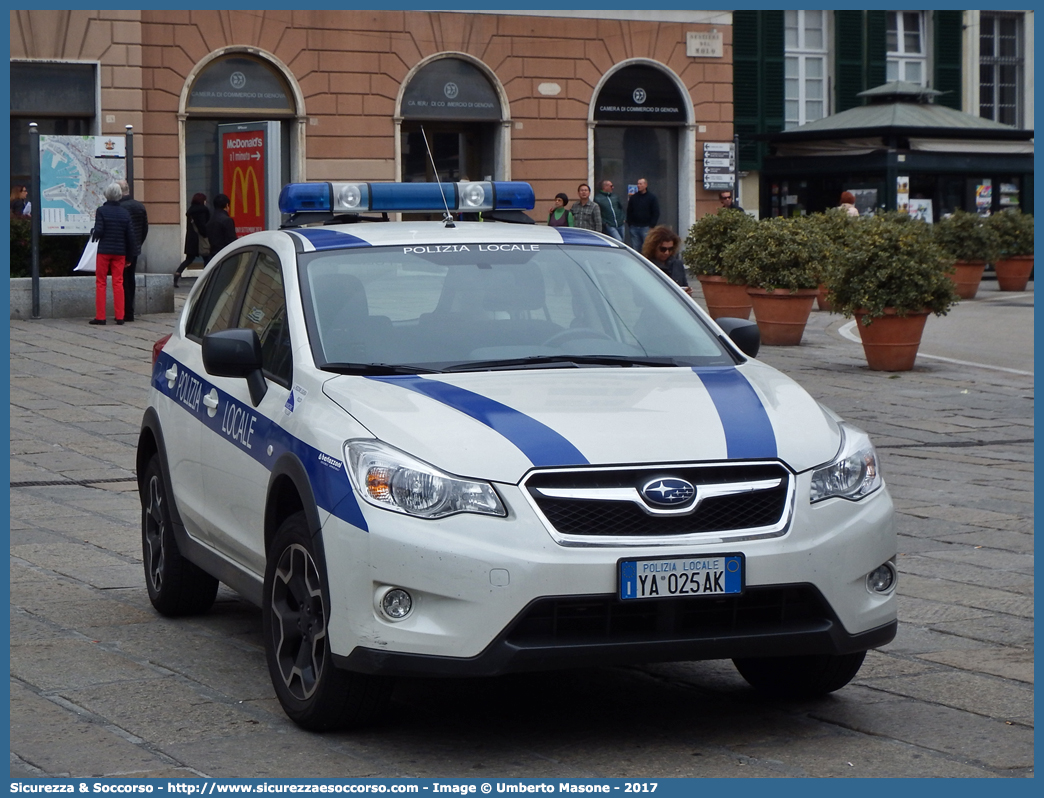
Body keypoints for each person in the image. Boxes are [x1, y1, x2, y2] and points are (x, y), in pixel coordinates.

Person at [89, 182, 138, 326]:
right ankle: (120, 316)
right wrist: (130, 256)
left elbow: (99, 231)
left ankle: (101, 317)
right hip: (120, 252)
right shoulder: (124, 213)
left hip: (104, 251)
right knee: (118, 283)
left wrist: (93, 232)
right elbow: (130, 236)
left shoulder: (101, 211)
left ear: (106, 195)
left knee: (101, 282)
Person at [117, 179, 148, 321]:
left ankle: (126, 310)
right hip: (135, 248)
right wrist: (138, 244)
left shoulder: (120, 208)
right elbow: (145, 229)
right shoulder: (139, 206)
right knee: (130, 278)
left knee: (121, 279)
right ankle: (130, 310)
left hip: (122, 248)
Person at [174, 193, 211, 287]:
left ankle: (177, 273)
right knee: (207, 257)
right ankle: (207, 279)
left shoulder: (190, 211)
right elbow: (202, 225)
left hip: (191, 238)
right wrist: (206, 235)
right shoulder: (203, 210)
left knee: (189, 259)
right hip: (200, 238)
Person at [641, 226, 690, 295]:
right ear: (653, 248)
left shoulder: (677, 264)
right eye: (663, 249)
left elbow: (685, 285)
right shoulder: (646, 266)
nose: (667, 252)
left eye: (670, 249)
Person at [626, 178, 659, 250]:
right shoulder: (633, 198)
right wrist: (630, 223)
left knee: (646, 248)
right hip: (634, 227)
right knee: (635, 248)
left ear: (645, 185)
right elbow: (629, 211)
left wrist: (652, 225)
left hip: (646, 227)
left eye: (640, 184)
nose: (638, 185)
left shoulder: (652, 198)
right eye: (638, 184)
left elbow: (656, 212)